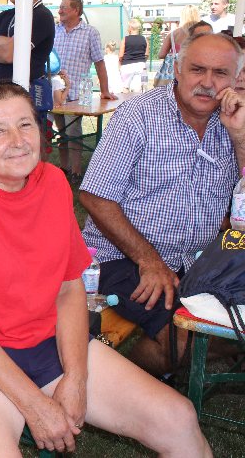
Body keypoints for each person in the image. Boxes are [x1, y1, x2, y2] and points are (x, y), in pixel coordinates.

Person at [0, 81, 212, 457]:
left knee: (178, 418)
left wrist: (76, 377)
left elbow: (69, 286)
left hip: (45, 340)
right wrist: (34, 405)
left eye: (25, 125)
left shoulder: (54, 182)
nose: (18, 141)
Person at [80, 32, 245, 376]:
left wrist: (240, 137)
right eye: (197, 70)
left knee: (226, 325)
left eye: (220, 73)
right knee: (180, 341)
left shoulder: (232, 121)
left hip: (195, 260)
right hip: (122, 256)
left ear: (235, 79)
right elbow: (95, 196)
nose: (208, 83)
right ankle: (115, 379)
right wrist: (149, 260)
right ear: (177, 70)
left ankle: (154, 367)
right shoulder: (138, 115)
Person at [52, 0, 117, 181]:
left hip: (77, 93)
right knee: (60, 131)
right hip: (56, 91)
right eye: (60, 7)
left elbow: (99, 62)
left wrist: (104, 90)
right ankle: (64, 168)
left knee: (73, 132)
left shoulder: (90, 32)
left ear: (76, 10)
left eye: (64, 7)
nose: (60, 11)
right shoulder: (55, 30)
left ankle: (76, 171)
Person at [118, 18, 149, 92]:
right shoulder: (145, 39)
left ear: (130, 28)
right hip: (141, 66)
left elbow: (121, 56)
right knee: (140, 90)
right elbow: (146, 55)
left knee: (125, 88)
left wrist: (120, 64)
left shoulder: (125, 39)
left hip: (127, 66)